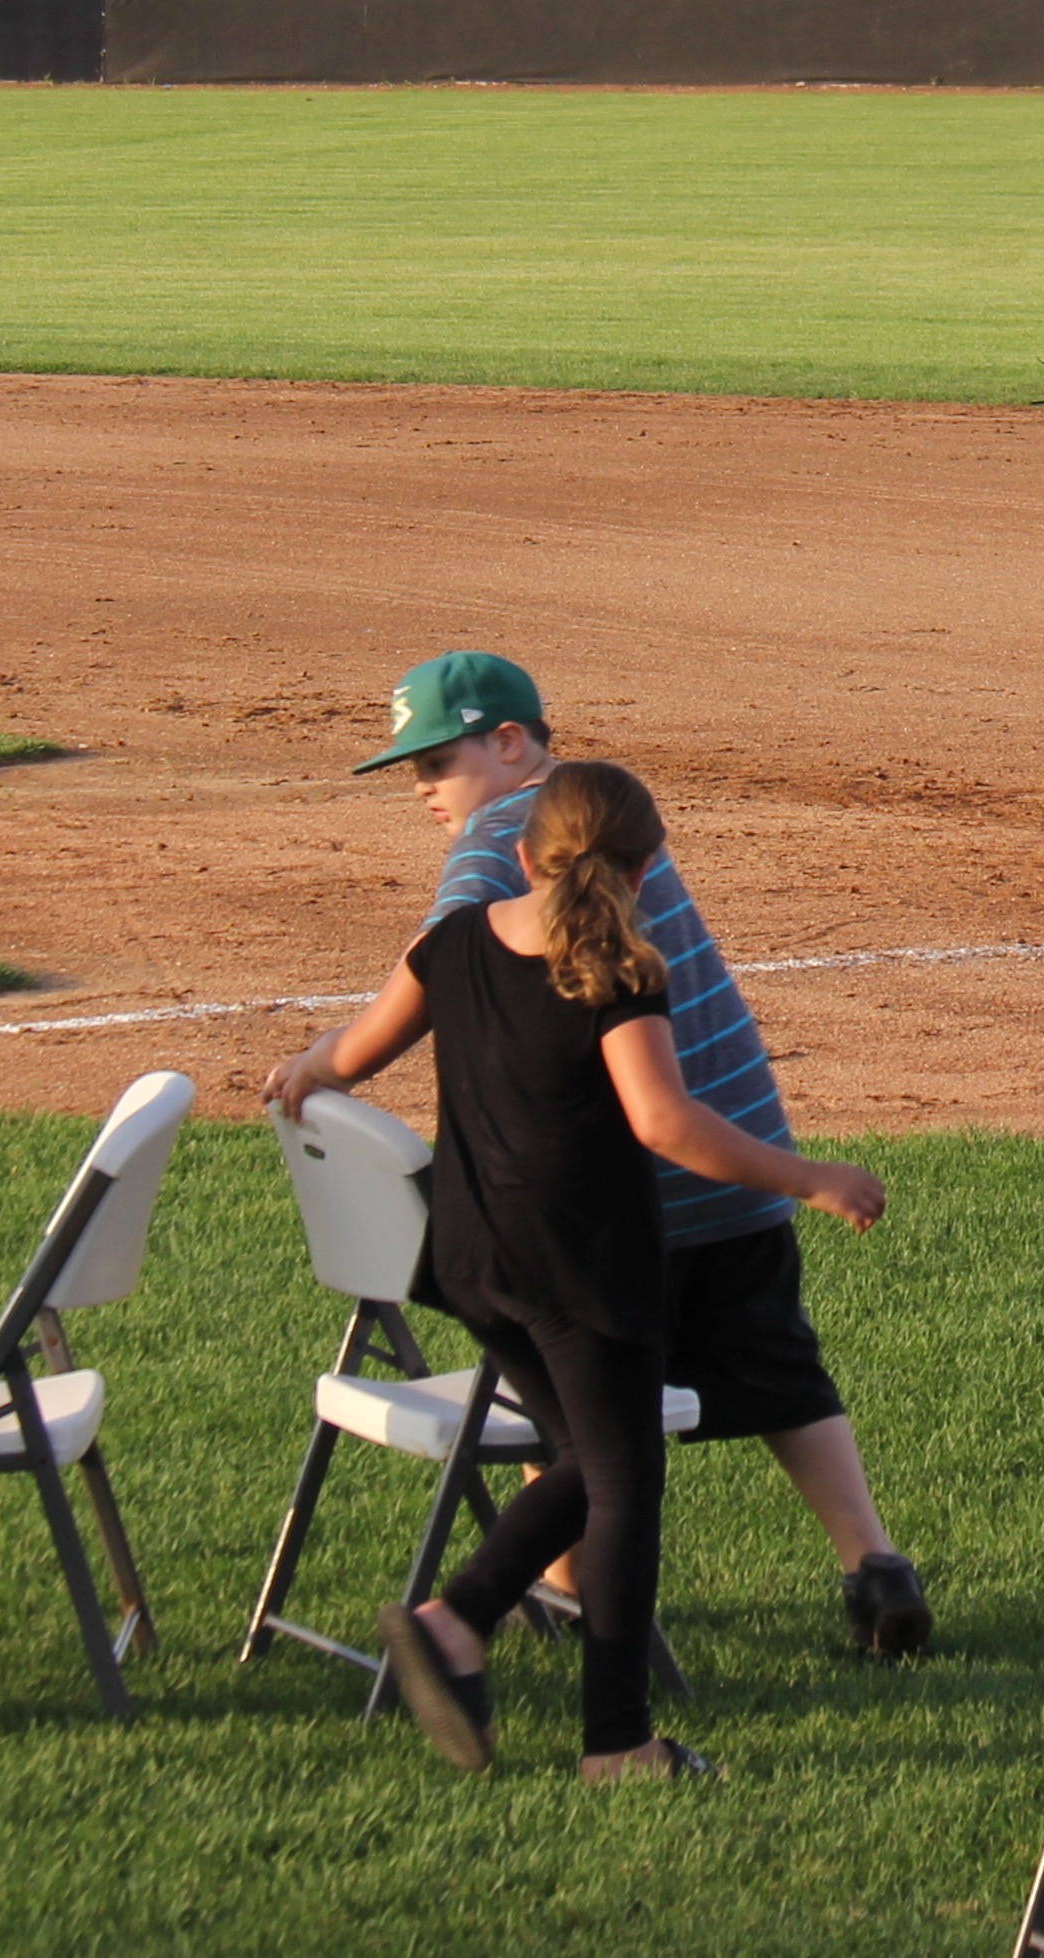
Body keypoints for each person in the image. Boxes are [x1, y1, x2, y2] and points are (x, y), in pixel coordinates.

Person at [265, 647, 932, 1658]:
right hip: (741, 1144)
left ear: (509, 742)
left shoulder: (511, 832)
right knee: (780, 1370)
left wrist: (328, 1061)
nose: (426, 792)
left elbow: (445, 963)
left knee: (572, 1411)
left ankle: (567, 1594)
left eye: (436, 764)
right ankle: (874, 1565)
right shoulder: (606, 822)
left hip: (622, 1188)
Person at [326, 758, 884, 1784]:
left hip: (472, 1262)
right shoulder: (620, 973)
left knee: (593, 1457)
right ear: (650, 864)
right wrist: (810, 1178)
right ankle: (612, 1738)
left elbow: (356, 1052)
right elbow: (665, 1123)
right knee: (624, 1480)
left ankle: (462, 1625)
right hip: (581, 1272)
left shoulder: (451, 943)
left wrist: (304, 1073)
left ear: (528, 855)